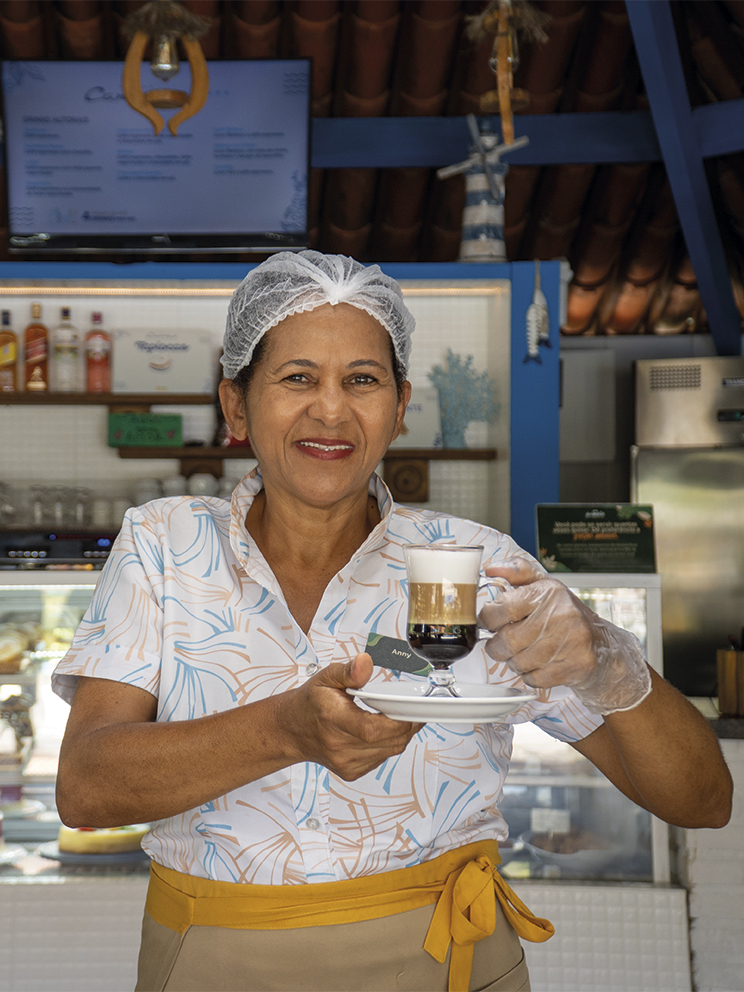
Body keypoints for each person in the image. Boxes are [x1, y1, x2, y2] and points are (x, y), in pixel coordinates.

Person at [53, 251, 732, 992]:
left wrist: (608, 663)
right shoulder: (164, 544)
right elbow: (85, 789)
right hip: (211, 959)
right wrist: (285, 731)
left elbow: (703, 801)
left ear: (400, 407)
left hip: (448, 959)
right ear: (236, 406)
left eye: (363, 380)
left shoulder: (478, 566)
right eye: (297, 378)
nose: (331, 410)